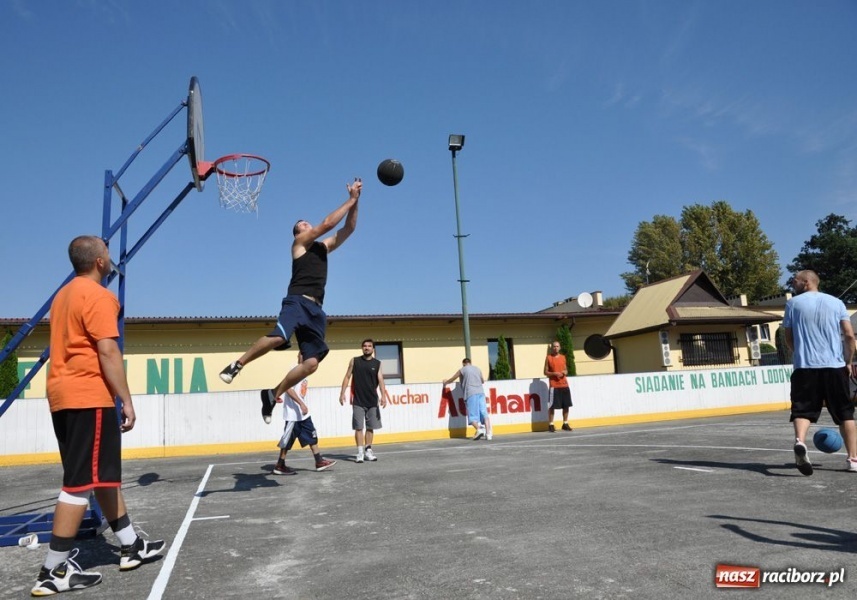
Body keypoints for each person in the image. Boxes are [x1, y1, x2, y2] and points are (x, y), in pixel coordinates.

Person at [31, 236, 165, 596]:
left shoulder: (64, 295)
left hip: (62, 394)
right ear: (100, 262)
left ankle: (130, 544)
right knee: (78, 483)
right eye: (106, 254)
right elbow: (108, 352)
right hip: (88, 395)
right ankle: (52, 570)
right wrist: (127, 400)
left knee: (102, 477)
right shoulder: (100, 296)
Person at [218, 178, 362, 425]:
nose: (307, 223)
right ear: (299, 233)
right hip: (297, 302)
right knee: (279, 337)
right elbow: (328, 224)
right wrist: (349, 199)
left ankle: (273, 394)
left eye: (307, 222)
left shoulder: (322, 248)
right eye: (302, 224)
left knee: (311, 364)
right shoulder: (299, 245)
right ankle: (237, 364)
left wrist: (356, 201)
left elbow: (348, 229)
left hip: (316, 310)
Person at [783, 270, 857, 476]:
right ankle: (853, 459)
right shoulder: (836, 303)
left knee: (801, 410)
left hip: (805, 367)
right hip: (834, 366)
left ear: (806, 282)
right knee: (845, 413)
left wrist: (798, 353)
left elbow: (788, 336)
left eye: (795, 280)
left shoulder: (792, 304)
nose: (792, 283)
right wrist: (848, 361)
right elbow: (849, 336)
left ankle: (800, 442)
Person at [272, 353, 336, 475]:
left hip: (303, 414)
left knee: (312, 435)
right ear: (299, 356)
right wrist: (301, 403)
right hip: (293, 415)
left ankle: (319, 461)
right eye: (303, 355)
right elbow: (288, 388)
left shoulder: (305, 372)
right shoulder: (294, 370)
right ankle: (280, 465)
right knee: (287, 441)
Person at [339, 339, 388, 462]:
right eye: (365, 346)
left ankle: (368, 450)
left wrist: (383, 396)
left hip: (372, 401)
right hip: (358, 401)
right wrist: (342, 393)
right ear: (362, 348)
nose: (367, 348)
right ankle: (360, 452)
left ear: (373, 349)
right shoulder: (355, 361)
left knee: (370, 427)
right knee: (359, 427)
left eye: (369, 346)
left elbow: (381, 380)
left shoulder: (377, 363)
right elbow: (347, 376)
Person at [443, 358, 492, 441]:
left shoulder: (463, 369)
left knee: (472, 416)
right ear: (470, 362)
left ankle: (479, 429)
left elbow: (453, 379)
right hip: (481, 392)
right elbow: (482, 381)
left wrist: (445, 382)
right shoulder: (477, 369)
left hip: (470, 393)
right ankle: (488, 434)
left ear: (463, 364)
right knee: (484, 413)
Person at [544, 340, 573, 432]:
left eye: (557, 346)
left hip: (564, 384)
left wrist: (564, 372)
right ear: (552, 348)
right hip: (554, 386)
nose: (555, 348)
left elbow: (566, 370)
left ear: (559, 348)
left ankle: (565, 423)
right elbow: (545, 372)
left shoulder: (563, 357)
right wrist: (554, 373)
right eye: (554, 346)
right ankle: (551, 425)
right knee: (552, 406)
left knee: (566, 405)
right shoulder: (548, 358)